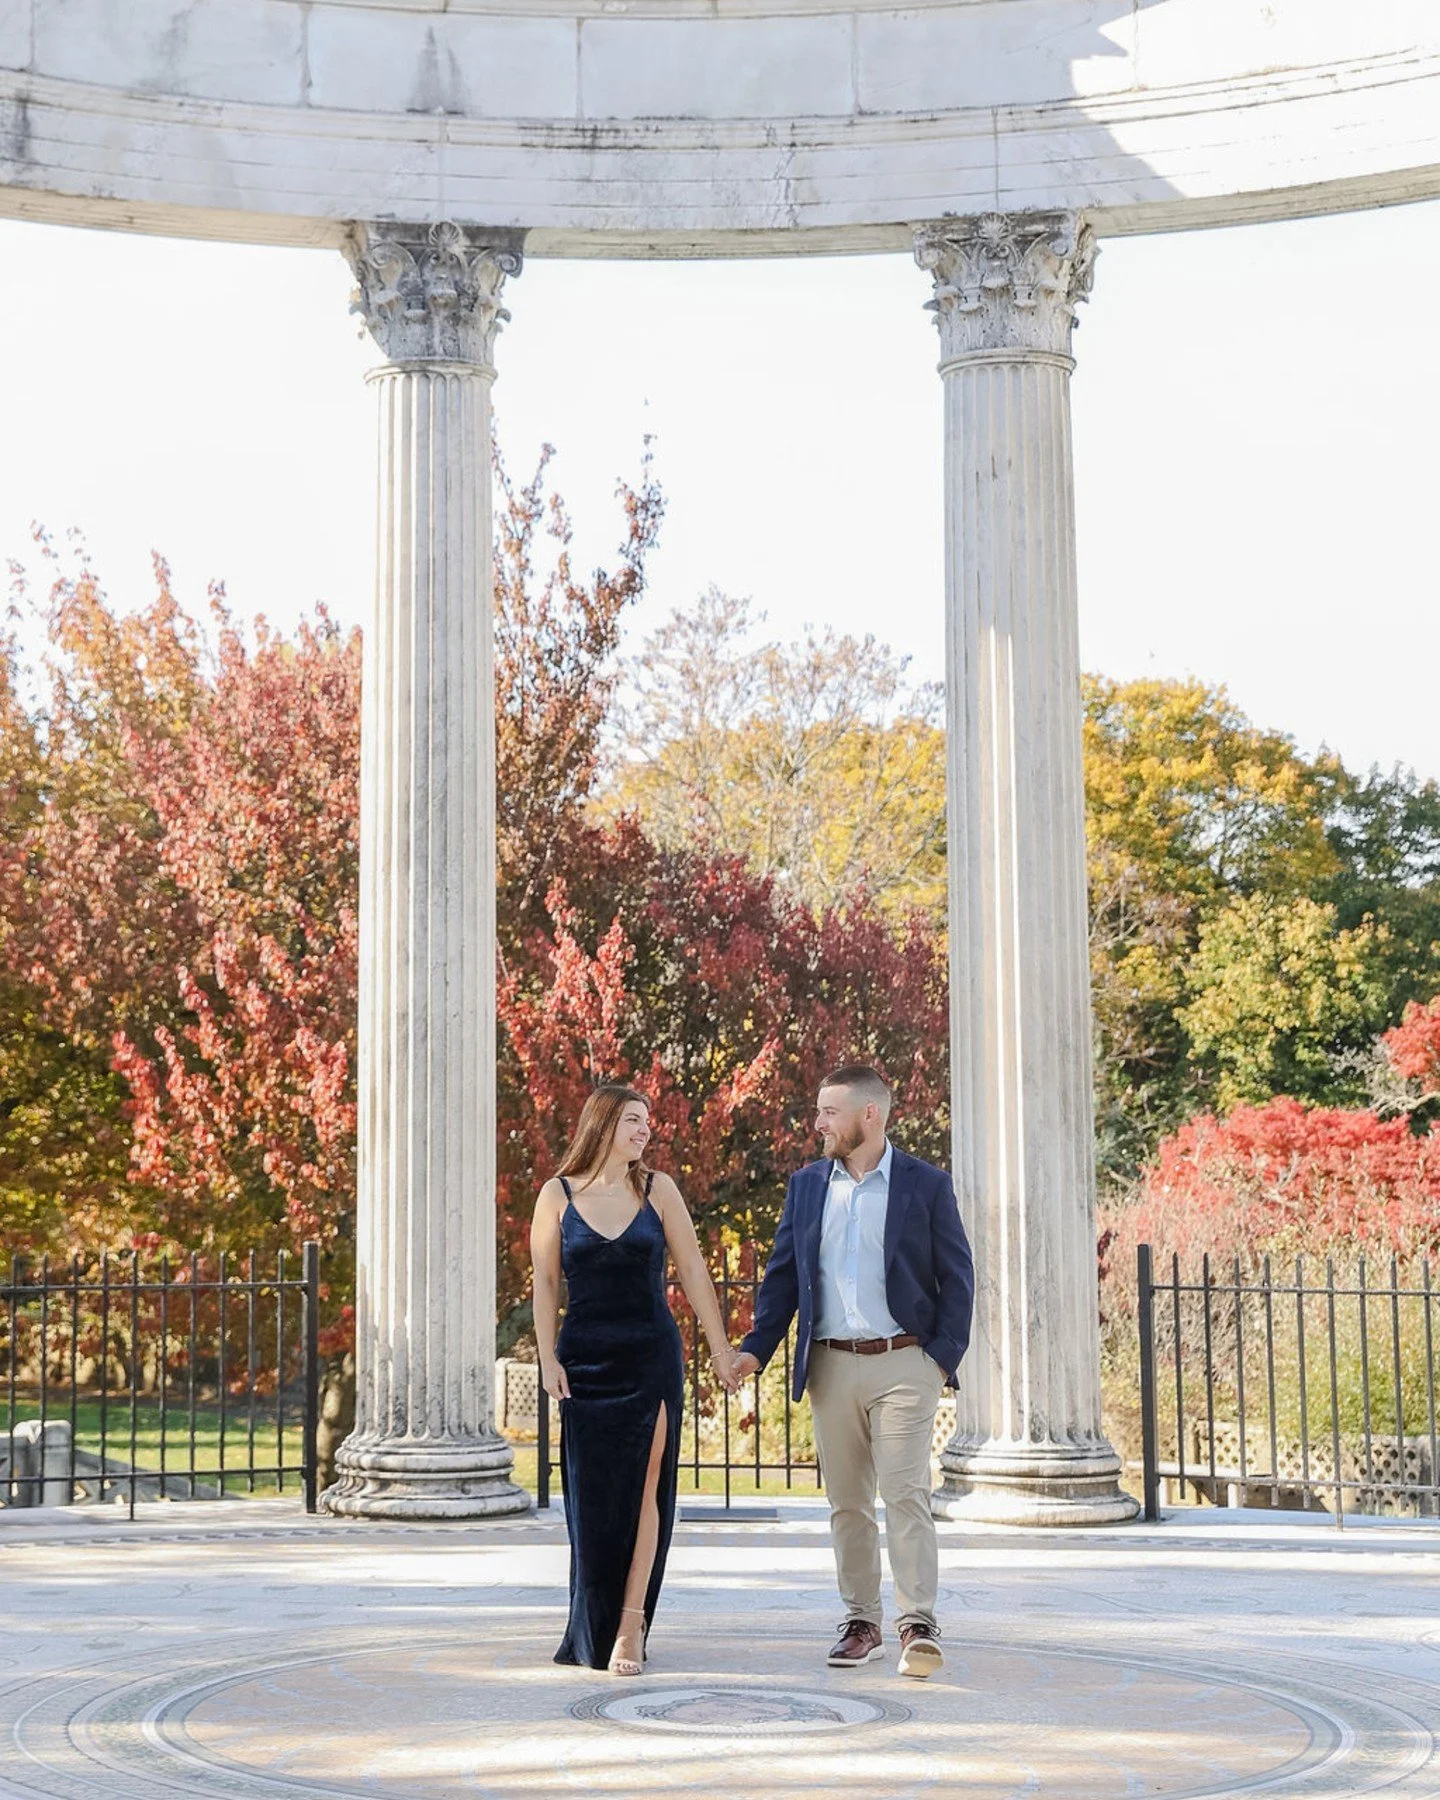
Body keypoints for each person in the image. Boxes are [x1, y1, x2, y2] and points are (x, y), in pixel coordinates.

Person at [733, 1065, 973, 1679]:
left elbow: (957, 1277)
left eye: (829, 1112)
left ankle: (917, 1623)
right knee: (847, 1503)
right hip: (831, 1365)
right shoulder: (807, 1186)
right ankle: (862, 1621)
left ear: (871, 1115)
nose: (818, 1123)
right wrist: (756, 1349)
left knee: (905, 1493)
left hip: (905, 1363)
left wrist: (939, 1359)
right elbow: (782, 1278)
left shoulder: (926, 1185)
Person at [531, 1083, 742, 1676]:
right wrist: (547, 1358)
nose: (645, 1129)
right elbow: (545, 1282)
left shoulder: (659, 1190)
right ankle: (593, 1621)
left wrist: (721, 1350)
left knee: (649, 1485)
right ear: (601, 1124)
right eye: (632, 1119)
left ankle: (631, 1623)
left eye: (647, 1120)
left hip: (651, 1358)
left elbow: (694, 1270)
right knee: (594, 1498)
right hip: (585, 1362)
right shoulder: (557, 1195)